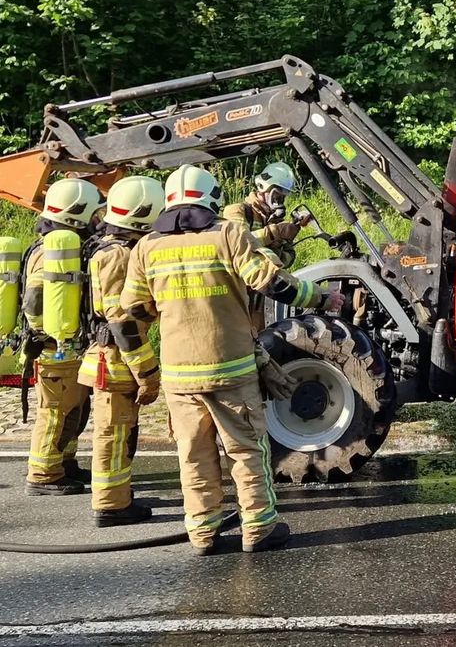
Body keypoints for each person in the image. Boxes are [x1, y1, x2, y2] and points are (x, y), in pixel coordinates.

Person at [121, 164, 344, 555]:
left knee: (193, 454)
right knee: (245, 450)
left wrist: (172, 311)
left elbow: (132, 310)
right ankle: (258, 528)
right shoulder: (228, 234)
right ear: (212, 198)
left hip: (179, 375)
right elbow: (273, 282)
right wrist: (321, 297)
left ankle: (203, 533)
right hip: (231, 369)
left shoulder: (146, 247)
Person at [78, 176, 165, 527]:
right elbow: (121, 322)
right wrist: (147, 372)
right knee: (113, 433)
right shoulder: (116, 256)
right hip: (115, 359)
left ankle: (118, 495)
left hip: (116, 358)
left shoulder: (115, 248)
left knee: (123, 431)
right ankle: (111, 505)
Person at [24, 178, 104, 496]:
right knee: (55, 411)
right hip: (53, 348)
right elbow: (33, 301)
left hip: (68, 345)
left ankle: (64, 462)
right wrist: (46, 333)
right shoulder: (50, 253)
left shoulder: (64, 249)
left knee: (75, 408)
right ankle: (43, 474)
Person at [223, 161, 306, 256]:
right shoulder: (237, 211)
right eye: (277, 194)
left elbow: (284, 261)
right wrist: (276, 232)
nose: (280, 200)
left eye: (284, 195)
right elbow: (236, 244)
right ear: (263, 187)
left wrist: (287, 237)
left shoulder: (272, 220)